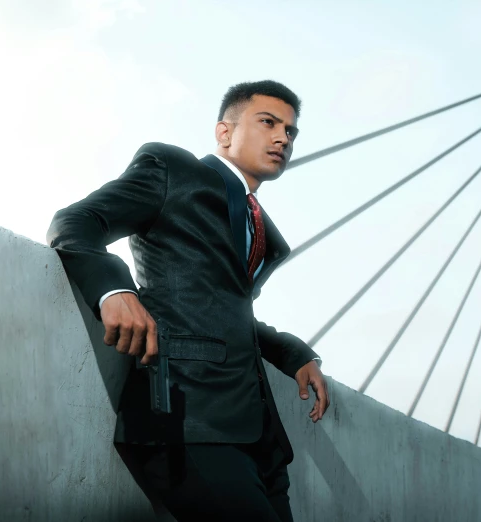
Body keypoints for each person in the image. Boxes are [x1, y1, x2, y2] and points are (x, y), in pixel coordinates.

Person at [46, 80, 330, 521]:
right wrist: (114, 290)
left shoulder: (264, 233)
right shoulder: (172, 170)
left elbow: (218, 308)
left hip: (259, 438)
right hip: (184, 419)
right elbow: (75, 222)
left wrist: (291, 353)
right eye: (269, 123)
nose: (282, 138)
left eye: (291, 132)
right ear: (224, 133)